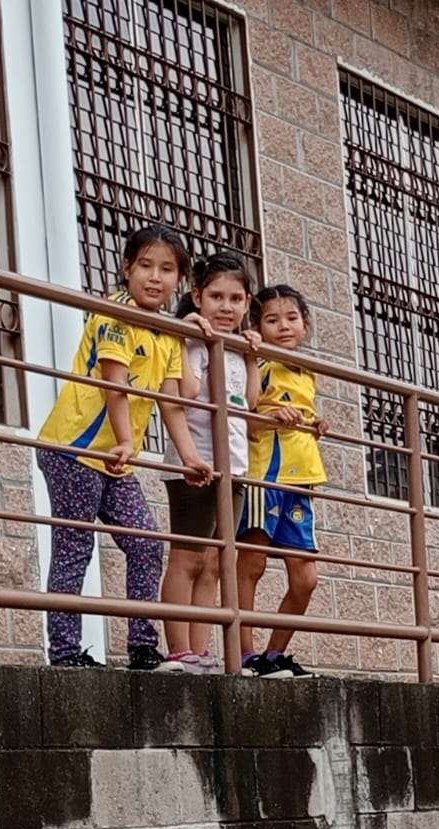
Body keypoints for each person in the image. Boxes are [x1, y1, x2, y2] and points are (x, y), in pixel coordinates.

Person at [34, 224, 210, 670]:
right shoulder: (115, 312)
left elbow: (174, 402)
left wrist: (191, 458)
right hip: (74, 448)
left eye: (167, 269)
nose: (155, 277)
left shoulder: (165, 332)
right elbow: (114, 385)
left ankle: (141, 647)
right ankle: (65, 654)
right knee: (75, 546)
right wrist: (130, 441)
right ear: (126, 268)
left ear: (180, 282)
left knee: (146, 545)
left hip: (116, 458)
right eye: (146, 266)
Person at [158, 252, 261, 672]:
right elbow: (184, 390)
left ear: (247, 304)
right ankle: (179, 648)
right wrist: (186, 332)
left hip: (233, 465)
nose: (226, 306)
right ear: (197, 297)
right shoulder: (191, 341)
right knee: (188, 557)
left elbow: (251, 406)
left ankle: (200, 652)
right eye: (216, 296)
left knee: (217, 561)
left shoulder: (237, 350)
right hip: (195, 463)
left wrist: (253, 358)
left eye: (236, 299)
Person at [237, 285, 329, 679]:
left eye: (291, 318)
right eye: (271, 320)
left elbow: (300, 414)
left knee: (306, 579)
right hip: (264, 476)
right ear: (257, 326)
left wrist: (314, 424)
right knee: (251, 565)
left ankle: (274, 655)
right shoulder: (258, 364)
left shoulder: (306, 373)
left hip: (301, 481)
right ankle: (243, 655)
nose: (283, 326)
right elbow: (240, 416)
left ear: (305, 325)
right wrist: (274, 418)